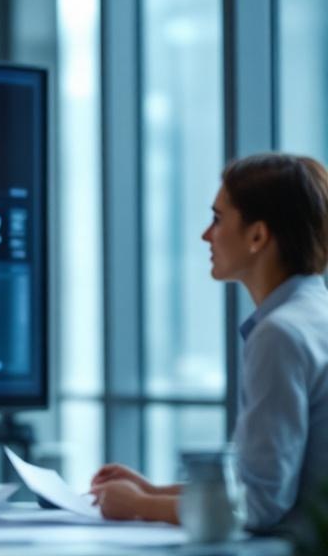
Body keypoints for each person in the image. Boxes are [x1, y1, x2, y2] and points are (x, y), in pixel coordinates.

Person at [90, 153, 328, 545]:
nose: (206, 235)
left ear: (257, 236)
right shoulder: (311, 317)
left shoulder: (280, 334)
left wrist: (140, 506)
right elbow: (269, 488)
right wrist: (150, 491)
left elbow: (259, 504)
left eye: (217, 219)